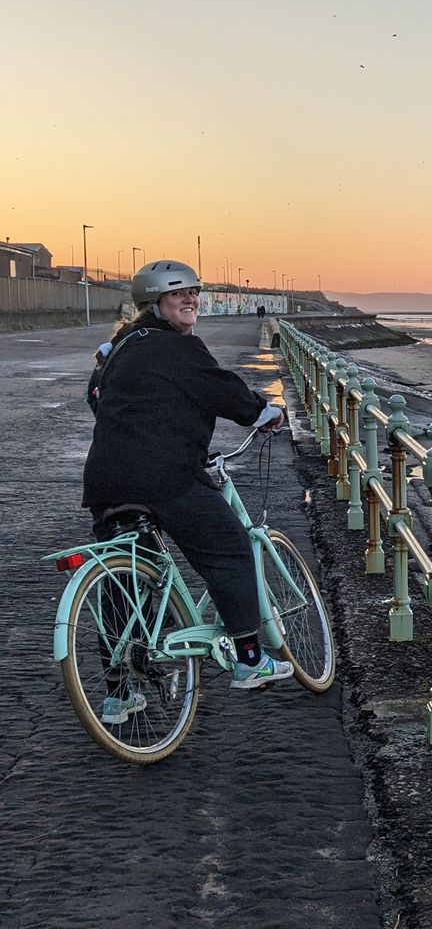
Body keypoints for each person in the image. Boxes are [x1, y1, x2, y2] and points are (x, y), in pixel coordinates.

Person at [82, 260, 292, 725]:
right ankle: (250, 659)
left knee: (123, 583)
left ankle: (118, 695)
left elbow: (97, 398)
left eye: (194, 293)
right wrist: (265, 412)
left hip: (106, 479)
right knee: (231, 550)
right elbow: (221, 390)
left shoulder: (118, 349)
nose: (190, 300)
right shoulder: (177, 348)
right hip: (165, 477)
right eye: (179, 295)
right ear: (154, 303)